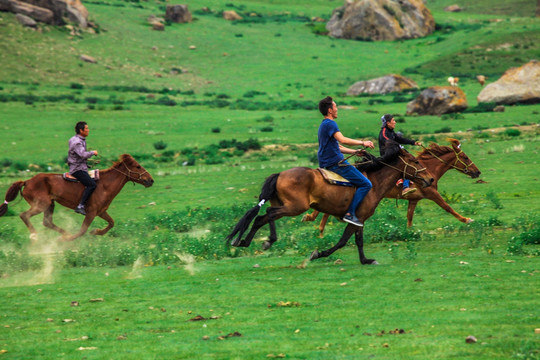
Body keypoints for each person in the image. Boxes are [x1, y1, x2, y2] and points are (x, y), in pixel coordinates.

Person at [317, 96, 374, 227]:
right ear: (330, 110)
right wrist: (363, 142)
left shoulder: (323, 124)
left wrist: (355, 152)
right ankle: (350, 213)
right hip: (335, 163)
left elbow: (337, 147)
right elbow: (342, 140)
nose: (337, 109)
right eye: (335, 106)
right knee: (366, 184)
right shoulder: (331, 123)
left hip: (325, 162)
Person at [378, 114, 422, 196]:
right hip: (388, 155)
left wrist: (413, 142)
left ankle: (407, 180)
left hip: (394, 152)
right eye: (393, 120)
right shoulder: (384, 131)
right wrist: (397, 146)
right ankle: (405, 187)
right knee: (406, 163)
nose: (395, 122)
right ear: (388, 123)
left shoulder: (391, 132)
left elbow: (400, 139)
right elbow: (386, 139)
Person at [68, 121, 98, 215]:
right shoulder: (77, 142)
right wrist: (93, 153)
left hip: (79, 166)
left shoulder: (74, 139)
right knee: (92, 185)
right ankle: (80, 206)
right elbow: (82, 154)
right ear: (81, 130)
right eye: (87, 129)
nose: (88, 130)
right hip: (77, 169)